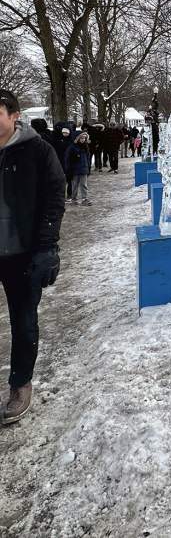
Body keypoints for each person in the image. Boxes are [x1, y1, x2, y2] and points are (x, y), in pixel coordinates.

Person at [0, 89, 65, 425]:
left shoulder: (38, 151)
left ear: (14, 116)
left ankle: (20, 386)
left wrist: (47, 246)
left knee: (23, 321)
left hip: (22, 254)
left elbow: (55, 197)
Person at [65, 131, 92, 205]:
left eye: (84, 138)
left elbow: (88, 158)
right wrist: (69, 170)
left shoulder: (86, 146)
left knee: (84, 184)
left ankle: (85, 198)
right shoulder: (72, 148)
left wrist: (88, 168)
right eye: (81, 138)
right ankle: (74, 198)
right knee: (75, 185)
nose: (83, 139)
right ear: (77, 138)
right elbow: (68, 159)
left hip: (84, 169)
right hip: (75, 170)